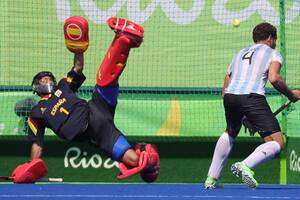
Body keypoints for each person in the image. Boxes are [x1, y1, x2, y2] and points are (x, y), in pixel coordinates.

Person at [11, 16, 160, 183]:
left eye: (49, 78)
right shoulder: (36, 113)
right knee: (135, 161)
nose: (47, 80)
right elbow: (37, 143)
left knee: (105, 80)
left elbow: (78, 68)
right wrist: (31, 167)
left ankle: (124, 39)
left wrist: (78, 49)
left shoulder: (63, 86)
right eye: (43, 80)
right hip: (98, 133)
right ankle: (146, 155)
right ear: (36, 87)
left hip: (96, 109)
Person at [204, 22, 300, 189]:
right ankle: (245, 165)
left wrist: (245, 116)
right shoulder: (273, 53)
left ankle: (211, 179)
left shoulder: (239, 54)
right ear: (270, 38)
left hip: (231, 97)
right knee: (277, 142)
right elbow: (274, 78)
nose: (275, 42)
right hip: (252, 97)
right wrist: (291, 95)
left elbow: (227, 80)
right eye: (275, 39)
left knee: (230, 131)